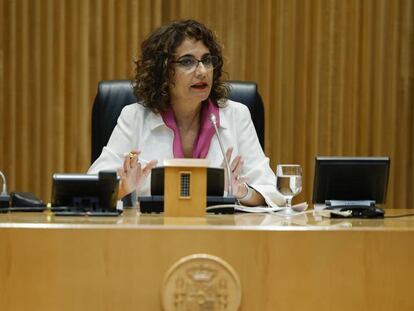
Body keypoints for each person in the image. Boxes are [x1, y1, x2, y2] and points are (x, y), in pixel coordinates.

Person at [88, 19, 284, 207]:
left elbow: (272, 192)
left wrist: (242, 192)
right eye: (187, 62)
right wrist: (122, 189)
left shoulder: (236, 115)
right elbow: (90, 189)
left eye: (207, 61)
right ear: (163, 71)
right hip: (152, 235)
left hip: (220, 235)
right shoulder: (135, 118)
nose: (202, 71)